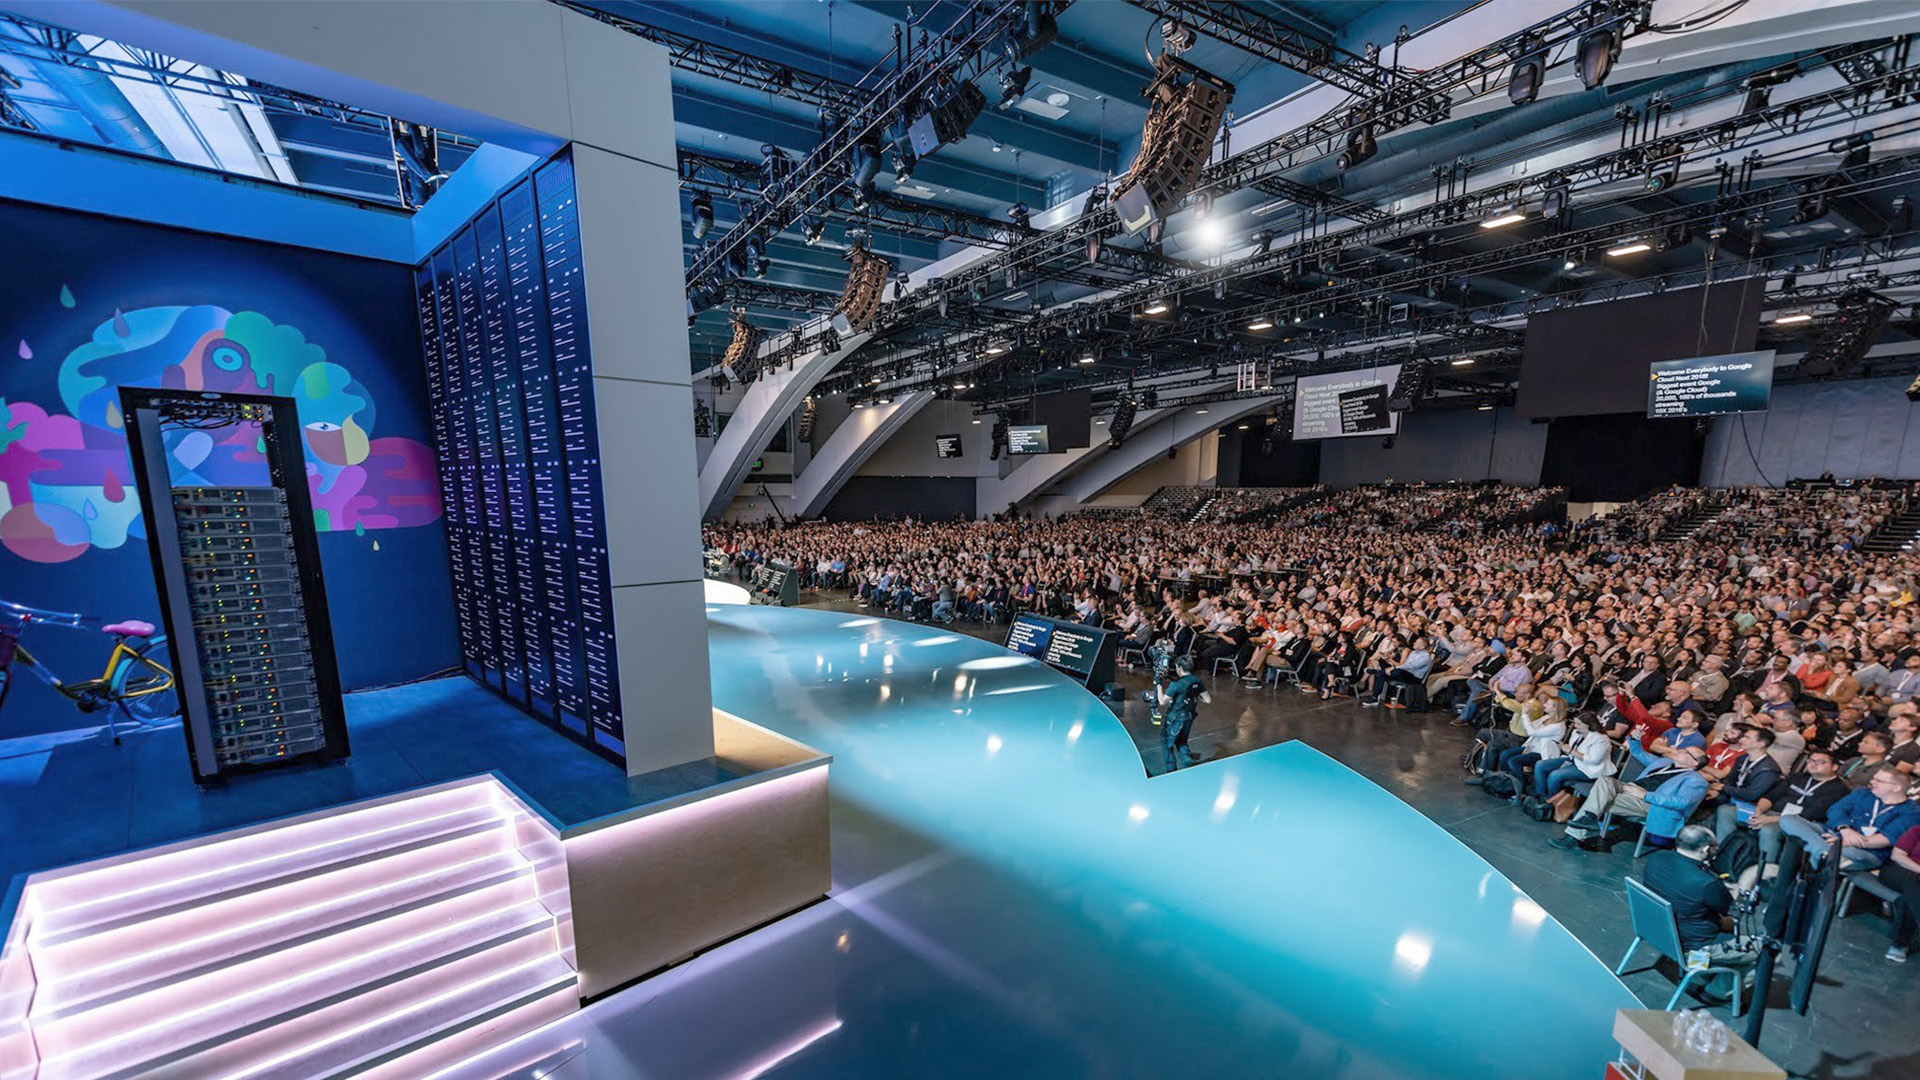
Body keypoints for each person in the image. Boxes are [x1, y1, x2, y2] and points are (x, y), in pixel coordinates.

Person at [1643, 824, 1757, 980]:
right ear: (1706, 850)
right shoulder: (1707, 883)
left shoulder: (1656, 858)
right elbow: (1728, 910)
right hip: (1694, 947)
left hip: (1657, 933)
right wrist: (1744, 883)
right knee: (1766, 950)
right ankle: (1718, 991)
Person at [1552, 742, 1709, 852]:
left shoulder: (1696, 780)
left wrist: (1646, 795)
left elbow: (1681, 802)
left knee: (1599, 798)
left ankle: (1574, 835)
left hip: (1650, 803)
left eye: (1686, 752)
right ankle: (1591, 817)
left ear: (1694, 763)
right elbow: (1639, 753)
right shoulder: (1665, 762)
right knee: (1605, 781)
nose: (1680, 750)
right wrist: (1635, 739)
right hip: (1630, 789)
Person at [1777, 764, 1920, 869]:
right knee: (1788, 819)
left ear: (1896, 788)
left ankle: (1820, 854)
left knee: (1840, 852)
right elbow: (1835, 810)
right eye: (1873, 778)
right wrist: (1844, 829)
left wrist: (1842, 841)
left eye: (1879, 781)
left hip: (1866, 850)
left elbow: (1885, 840)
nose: (1872, 782)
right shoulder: (1862, 793)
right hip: (1832, 833)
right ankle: (1824, 853)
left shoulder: (1911, 812)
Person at [1734, 748, 1851, 865]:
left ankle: (1766, 867)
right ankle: (1725, 855)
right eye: (1810, 760)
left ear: (1835, 767)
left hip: (1798, 823)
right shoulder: (1798, 777)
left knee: (1769, 830)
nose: (1813, 764)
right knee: (1728, 811)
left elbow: (1811, 814)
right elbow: (1771, 796)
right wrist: (1758, 811)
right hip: (1769, 813)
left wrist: (1769, 820)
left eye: (1820, 762)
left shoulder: (1839, 789)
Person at [1158, 655, 1210, 774]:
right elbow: (1207, 700)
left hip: (1175, 718)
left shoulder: (1176, 685)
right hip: (1189, 716)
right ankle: (1186, 758)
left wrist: (1158, 685)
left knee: (1166, 742)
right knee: (1182, 739)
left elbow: (1162, 701)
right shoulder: (1197, 681)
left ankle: (1171, 770)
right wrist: (1195, 694)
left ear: (1180, 668)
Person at [1879, 824, 1920, 962]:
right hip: (1897, 871)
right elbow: (1897, 856)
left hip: (1916, 884)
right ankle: (1899, 946)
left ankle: (1899, 944)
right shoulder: (1916, 830)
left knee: (1908, 898)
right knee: (1911, 883)